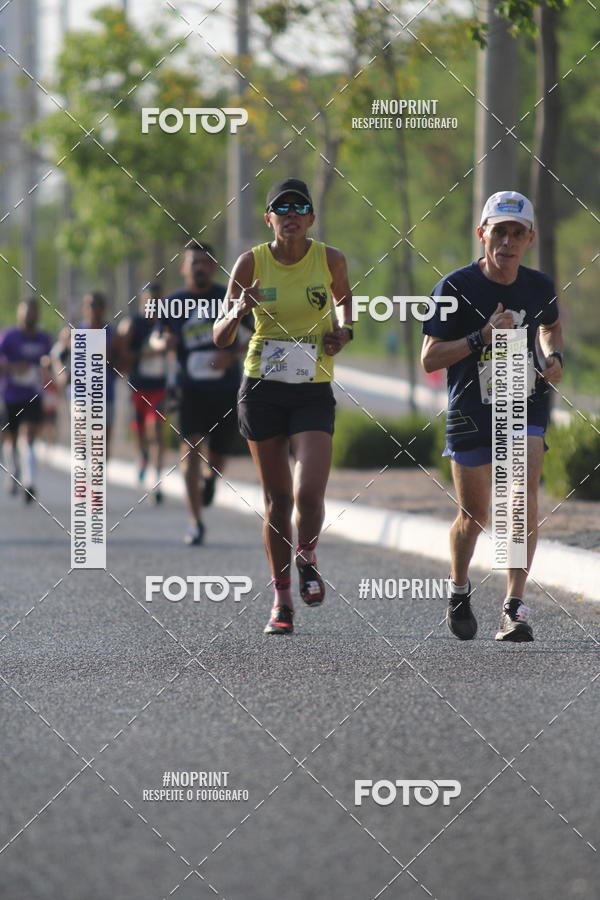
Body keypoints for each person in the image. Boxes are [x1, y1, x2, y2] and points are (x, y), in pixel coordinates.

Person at [421, 191, 564, 642]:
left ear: (529, 239)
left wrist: (553, 355)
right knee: (474, 516)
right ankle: (459, 587)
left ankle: (513, 606)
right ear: (482, 234)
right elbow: (429, 358)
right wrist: (480, 337)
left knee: (521, 500)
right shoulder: (453, 287)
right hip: (470, 410)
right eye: (499, 231)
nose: (507, 241)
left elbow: (551, 325)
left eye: (517, 233)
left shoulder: (539, 286)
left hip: (524, 404)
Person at [214, 177, 353, 635]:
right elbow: (220, 335)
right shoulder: (250, 262)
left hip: (312, 387)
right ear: (268, 219)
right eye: (282, 208)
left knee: (309, 493)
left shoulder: (330, 259)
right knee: (278, 501)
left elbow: (345, 306)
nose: (291, 215)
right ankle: (282, 599)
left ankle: (306, 555)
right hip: (262, 388)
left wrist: (344, 332)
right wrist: (238, 311)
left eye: (300, 208)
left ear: (311, 218)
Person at [166, 240, 250, 546]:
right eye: (194, 262)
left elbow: (256, 334)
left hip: (225, 388)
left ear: (214, 267)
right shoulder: (173, 303)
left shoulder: (229, 298)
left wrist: (233, 354)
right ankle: (195, 522)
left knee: (218, 454)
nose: (199, 267)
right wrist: (165, 344)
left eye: (205, 262)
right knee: (189, 453)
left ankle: (211, 478)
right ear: (184, 268)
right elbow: (156, 339)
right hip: (189, 389)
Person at [117, 282, 168, 503]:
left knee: (156, 429)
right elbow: (122, 355)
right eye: (149, 301)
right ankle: (142, 457)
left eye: (157, 301)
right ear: (142, 301)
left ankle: (156, 482)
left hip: (160, 387)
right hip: (138, 387)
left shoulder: (167, 323)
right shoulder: (134, 324)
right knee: (139, 432)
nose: (153, 305)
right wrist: (144, 355)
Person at [52, 292, 119, 459]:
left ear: (103, 308)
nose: (92, 309)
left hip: (105, 393)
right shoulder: (72, 332)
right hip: (80, 394)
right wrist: (62, 374)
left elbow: (117, 360)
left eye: (96, 305)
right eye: (89, 305)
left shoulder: (111, 333)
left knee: (101, 442)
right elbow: (56, 356)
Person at [0, 297, 53, 502]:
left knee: (28, 435)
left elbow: (52, 361)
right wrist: (15, 367)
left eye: (33, 311)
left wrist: (46, 367)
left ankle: (29, 483)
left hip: (32, 395)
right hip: (10, 395)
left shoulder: (43, 339)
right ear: (19, 313)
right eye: (26, 311)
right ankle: (13, 471)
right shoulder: (9, 337)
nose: (29, 315)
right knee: (10, 439)